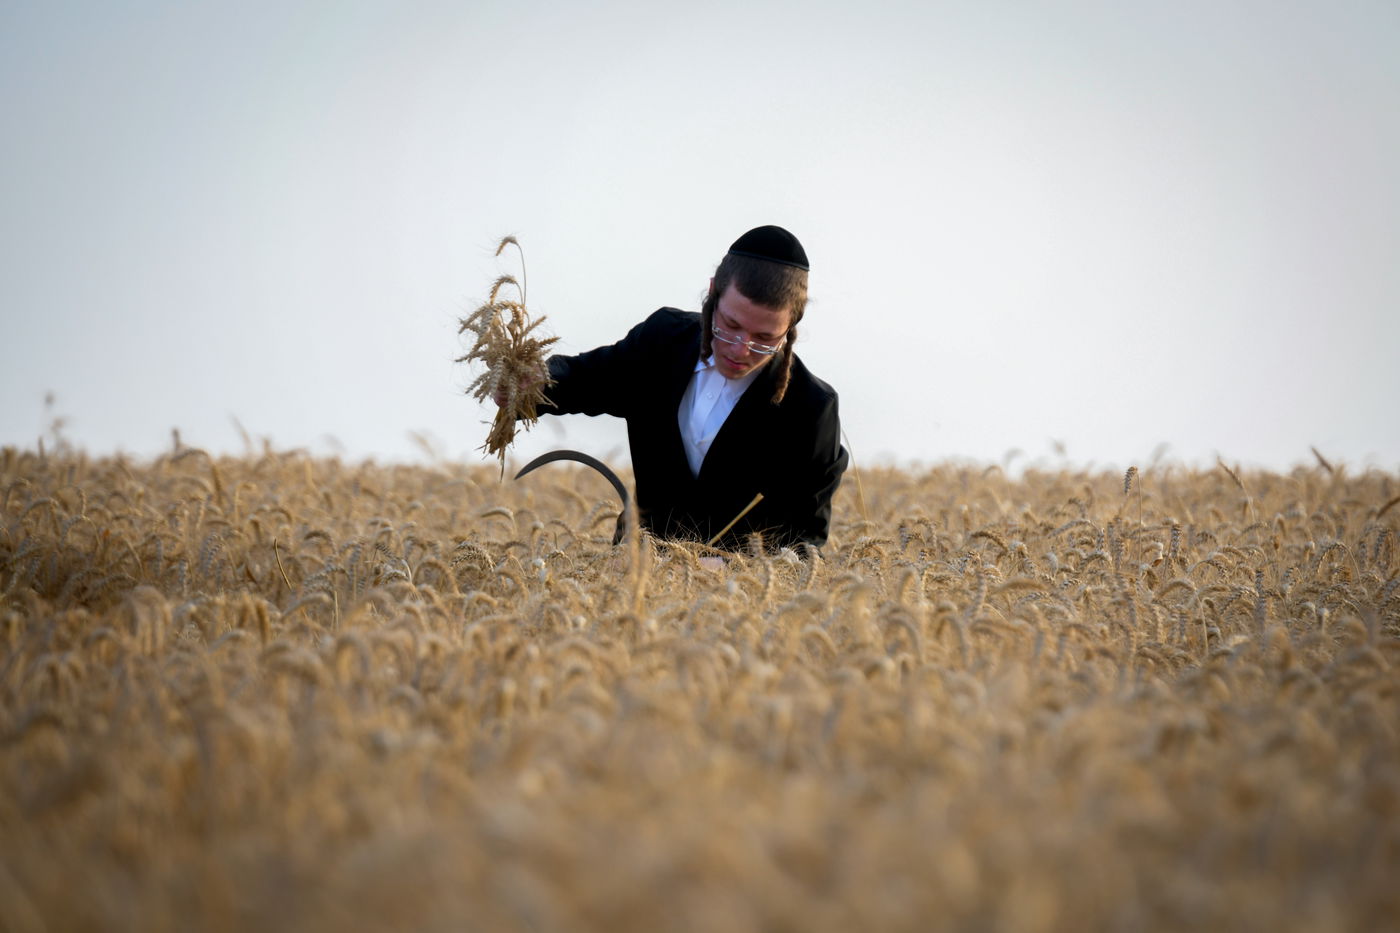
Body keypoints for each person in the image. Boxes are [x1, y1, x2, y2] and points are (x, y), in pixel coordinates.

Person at [515, 225, 847, 552]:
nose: (740, 349)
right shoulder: (663, 340)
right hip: (629, 571)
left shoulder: (812, 409)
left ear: (792, 325)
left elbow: (804, 544)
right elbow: (583, 380)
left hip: (737, 587)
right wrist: (526, 386)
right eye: (730, 325)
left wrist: (727, 567)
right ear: (713, 291)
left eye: (764, 338)